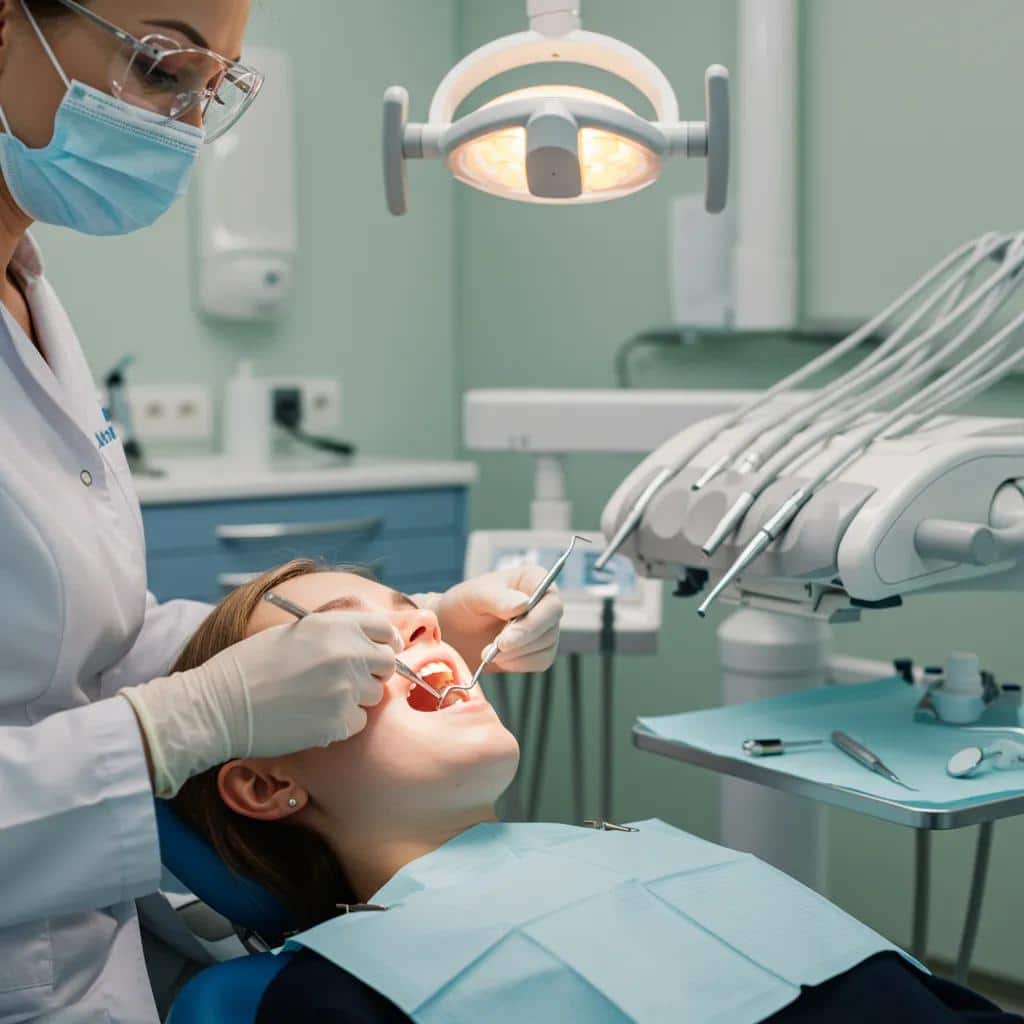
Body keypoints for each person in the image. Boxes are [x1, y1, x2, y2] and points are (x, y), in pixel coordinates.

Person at [0, 3, 563, 1020]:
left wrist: (429, 612)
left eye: (215, 86)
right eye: (164, 62)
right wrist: (189, 719)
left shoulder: (28, 292)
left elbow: (71, 645)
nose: (181, 120)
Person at [169, 561, 1021, 1024]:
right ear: (268, 782)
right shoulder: (341, 999)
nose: (423, 625)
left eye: (410, 609)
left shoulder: (648, 851)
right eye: (343, 640)